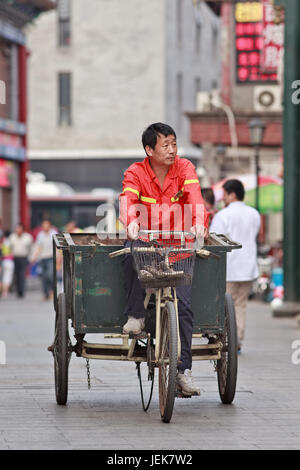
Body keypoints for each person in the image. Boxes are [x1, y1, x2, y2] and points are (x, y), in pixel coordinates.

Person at [119, 122, 209, 396]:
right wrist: (131, 222)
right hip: (147, 241)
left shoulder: (185, 168)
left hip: (179, 244)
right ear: (149, 149)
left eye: (174, 143)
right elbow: (128, 199)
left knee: (183, 307)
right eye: (165, 145)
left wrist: (198, 223)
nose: (172, 150)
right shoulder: (135, 172)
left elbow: (195, 198)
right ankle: (135, 315)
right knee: (128, 251)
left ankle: (183, 372)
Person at [210, 179, 261, 352]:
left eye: (224, 194)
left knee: (224, 305)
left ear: (232, 195)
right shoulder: (254, 213)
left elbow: (214, 241)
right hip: (248, 268)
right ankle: (237, 339)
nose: (223, 198)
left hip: (229, 268)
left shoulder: (223, 215)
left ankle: (227, 339)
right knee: (240, 305)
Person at [31, 220, 57, 300]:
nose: (45, 227)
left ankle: (52, 291)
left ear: (50, 226)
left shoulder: (53, 233)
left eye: (47, 225)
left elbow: (57, 246)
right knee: (43, 276)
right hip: (42, 258)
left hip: (51, 257)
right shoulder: (40, 235)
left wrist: (59, 258)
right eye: (44, 226)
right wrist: (34, 257)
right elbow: (38, 246)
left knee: (50, 275)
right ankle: (45, 294)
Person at [9, 224, 33, 298]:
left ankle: (22, 291)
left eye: (19, 229)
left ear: (22, 229)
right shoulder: (12, 237)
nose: (18, 230)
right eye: (17, 229)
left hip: (24, 258)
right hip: (15, 257)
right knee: (16, 274)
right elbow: (10, 247)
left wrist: (30, 258)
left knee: (22, 274)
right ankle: (18, 291)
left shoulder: (28, 237)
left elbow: (31, 248)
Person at [1, 231, 14, 298]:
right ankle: (5, 292)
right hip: (9, 261)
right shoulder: (11, 242)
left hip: (3, 261)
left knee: (3, 277)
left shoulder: (3, 242)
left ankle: (3, 291)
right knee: (7, 277)